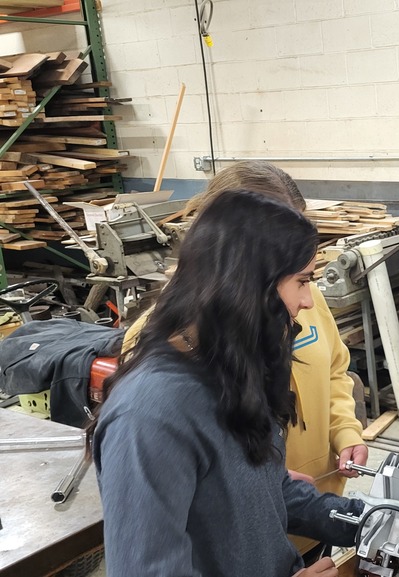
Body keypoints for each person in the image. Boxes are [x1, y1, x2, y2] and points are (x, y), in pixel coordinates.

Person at [89, 190, 364, 577]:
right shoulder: (150, 416)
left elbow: (266, 492)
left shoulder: (233, 369)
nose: (307, 301)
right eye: (302, 281)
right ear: (250, 284)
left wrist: (374, 519)